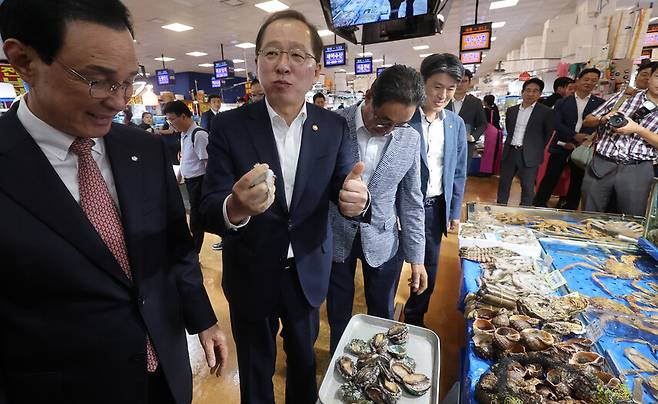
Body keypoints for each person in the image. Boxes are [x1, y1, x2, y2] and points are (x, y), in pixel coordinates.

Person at [0, 1, 228, 403]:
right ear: (24, 61)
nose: (120, 101)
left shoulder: (142, 148)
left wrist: (203, 319)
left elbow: (176, 246)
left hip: (165, 373)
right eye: (97, 80)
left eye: (128, 82)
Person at [199, 10, 369, 404]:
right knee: (256, 369)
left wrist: (357, 201)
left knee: (303, 363)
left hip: (306, 271)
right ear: (257, 62)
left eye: (296, 55)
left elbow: (349, 184)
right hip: (250, 271)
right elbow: (208, 207)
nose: (283, 65)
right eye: (272, 53)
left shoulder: (332, 127)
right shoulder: (229, 126)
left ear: (315, 68)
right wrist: (236, 207)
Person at [327, 65, 427, 353]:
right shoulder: (334, 124)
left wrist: (417, 258)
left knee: (381, 315)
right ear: (369, 96)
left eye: (400, 123)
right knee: (338, 314)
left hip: (383, 237)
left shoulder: (409, 139)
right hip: (335, 235)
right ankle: (339, 364)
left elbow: (411, 200)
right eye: (384, 119)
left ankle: (376, 370)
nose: (389, 129)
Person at [403, 53, 468, 327]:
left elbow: (458, 171)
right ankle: (382, 319)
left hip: (434, 207)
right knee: (392, 265)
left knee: (428, 268)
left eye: (450, 89)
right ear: (423, 83)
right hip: (400, 209)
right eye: (437, 86)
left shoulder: (455, 124)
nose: (443, 95)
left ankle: (415, 319)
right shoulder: (405, 118)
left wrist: (454, 209)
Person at [580, 61, 658, 216]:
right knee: (590, 214)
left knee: (632, 218)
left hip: (638, 169)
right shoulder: (624, 97)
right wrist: (603, 118)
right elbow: (588, 120)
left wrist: (637, 129)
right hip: (602, 164)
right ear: (649, 78)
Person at [534, 68, 604, 209]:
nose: (589, 83)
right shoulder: (563, 102)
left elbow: (599, 124)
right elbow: (557, 123)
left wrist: (584, 139)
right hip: (561, 145)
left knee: (577, 179)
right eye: (586, 79)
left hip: (584, 147)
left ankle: (570, 207)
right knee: (551, 176)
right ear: (578, 80)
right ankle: (538, 204)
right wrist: (573, 137)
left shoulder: (600, 103)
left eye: (593, 80)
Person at [497, 78, 555, 206]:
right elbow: (509, 129)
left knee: (528, 187)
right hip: (510, 151)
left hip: (529, 154)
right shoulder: (512, 110)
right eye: (528, 90)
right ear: (522, 92)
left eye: (535, 91)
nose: (531, 94)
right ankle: (499, 209)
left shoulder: (546, 112)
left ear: (539, 94)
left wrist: (534, 148)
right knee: (504, 184)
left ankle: (524, 215)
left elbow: (547, 135)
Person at [164, 100, 209, 254]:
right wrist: (178, 176)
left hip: (200, 182)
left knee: (196, 219)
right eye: (168, 120)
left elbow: (207, 163)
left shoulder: (199, 134)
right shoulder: (184, 134)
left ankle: (194, 252)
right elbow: (184, 159)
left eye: (172, 119)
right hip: (190, 181)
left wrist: (210, 187)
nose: (171, 124)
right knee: (194, 217)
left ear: (183, 116)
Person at [447, 69, 487, 173]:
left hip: (465, 146)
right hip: (444, 144)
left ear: (469, 83)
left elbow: (482, 124)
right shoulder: (443, 100)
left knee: (461, 175)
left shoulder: (475, 103)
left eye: (464, 81)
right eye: (457, 81)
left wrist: (473, 136)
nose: (460, 84)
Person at [480, 94, 503, 175]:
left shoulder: (485, 110)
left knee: (488, 152)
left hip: (491, 132)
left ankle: (486, 170)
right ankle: (494, 169)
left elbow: (482, 122)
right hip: (498, 131)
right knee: (495, 151)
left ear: (486, 102)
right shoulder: (495, 109)